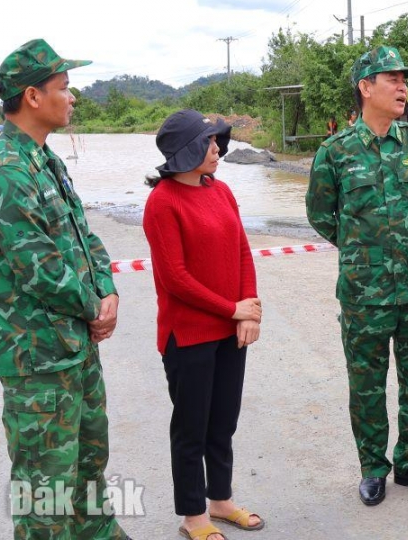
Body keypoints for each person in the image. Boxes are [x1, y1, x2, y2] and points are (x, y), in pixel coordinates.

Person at [0, 39, 130, 540]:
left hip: (72, 344)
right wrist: (95, 309)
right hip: (36, 355)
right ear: (33, 97)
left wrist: (107, 289)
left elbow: (84, 236)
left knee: (88, 464)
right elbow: (38, 269)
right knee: (46, 489)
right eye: (64, 87)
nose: (73, 97)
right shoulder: (5, 171)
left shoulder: (45, 160)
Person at [306, 45, 408, 506]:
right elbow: (321, 215)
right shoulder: (335, 152)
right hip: (364, 294)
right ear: (365, 87)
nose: (403, 87)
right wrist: (364, 252)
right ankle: (373, 468)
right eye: (392, 79)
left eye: (404, 80)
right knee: (367, 387)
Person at [143, 110, 266, 540]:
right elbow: (175, 279)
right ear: (188, 151)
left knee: (223, 421)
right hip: (189, 335)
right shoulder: (162, 202)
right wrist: (233, 310)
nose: (218, 148)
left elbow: (242, 251)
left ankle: (221, 500)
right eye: (209, 142)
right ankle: (193, 515)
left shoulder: (221, 190)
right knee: (191, 427)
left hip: (230, 329)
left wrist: (250, 309)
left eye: (216, 141)